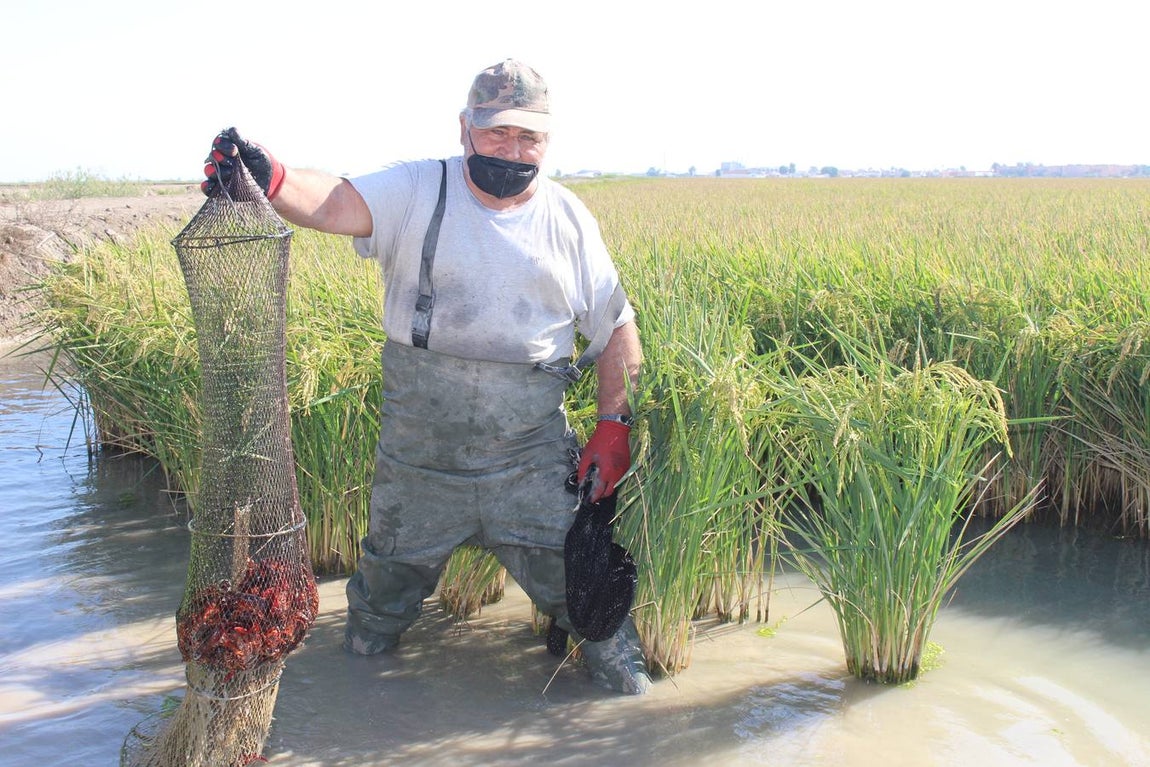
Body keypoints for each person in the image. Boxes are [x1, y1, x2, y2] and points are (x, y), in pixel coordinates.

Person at [201, 59, 650, 694]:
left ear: (547, 140)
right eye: (497, 133)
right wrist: (269, 176)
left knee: (594, 612)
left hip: (528, 460)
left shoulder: (569, 220)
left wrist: (614, 426)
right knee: (373, 616)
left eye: (529, 137)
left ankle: (629, 704)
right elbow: (332, 203)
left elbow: (617, 332)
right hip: (417, 466)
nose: (512, 149)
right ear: (466, 129)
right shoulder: (417, 189)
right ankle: (361, 681)